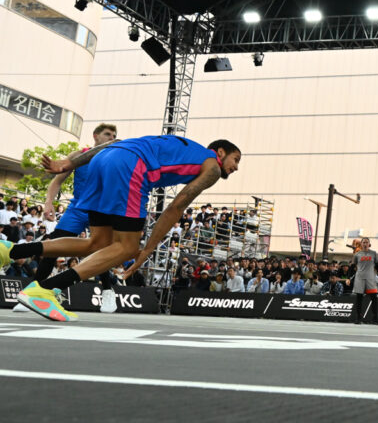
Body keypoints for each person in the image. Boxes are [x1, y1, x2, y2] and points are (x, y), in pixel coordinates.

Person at [1, 136, 241, 322]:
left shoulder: (182, 147)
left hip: (102, 160)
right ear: (220, 152)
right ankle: (45, 290)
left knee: (98, 244)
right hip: (131, 167)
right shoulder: (211, 167)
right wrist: (147, 249)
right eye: (236, 159)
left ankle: (9, 250)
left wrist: (71, 163)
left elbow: (114, 143)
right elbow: (175, 207)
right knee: (127, 248)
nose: (236, 167)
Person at [15, 124, 122, 314]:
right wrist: (49, 202)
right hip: (77, 209)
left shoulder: (115, 157)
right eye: (107, 134)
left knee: (100, 250)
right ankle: (32, 293)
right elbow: (57, 180)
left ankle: (107, 291)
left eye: (114, 135)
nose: (111, 137)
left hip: (102, 210)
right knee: (53, 247)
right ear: (96, 136)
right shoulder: (78, 155)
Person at [346, 237, 378, 324]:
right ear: (361, 244)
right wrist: (348, 278)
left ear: (369, 244)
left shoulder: (374, 253)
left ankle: (375, 319)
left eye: (366, 242)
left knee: (374, 298)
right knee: (359, 298)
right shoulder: (357, 254)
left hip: (370, 278)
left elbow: (377, 266)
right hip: (359, 278)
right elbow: (352, 267)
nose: (365, 244)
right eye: (363, 242)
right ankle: (358, 319)